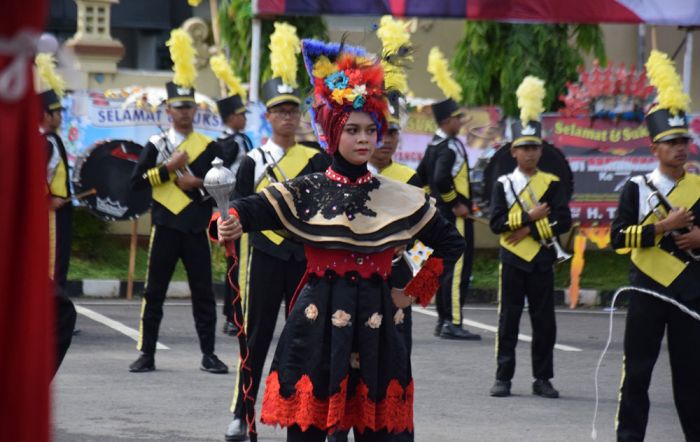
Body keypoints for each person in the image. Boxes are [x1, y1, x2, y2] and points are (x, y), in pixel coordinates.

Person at [213, 39, 464, 442]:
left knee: (379, 430)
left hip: (380, 321)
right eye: (352, 130)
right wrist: (230, 222)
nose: (364, 139)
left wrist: (412, 290)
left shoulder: (399, 194)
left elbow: (449, 244)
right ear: (333, 132)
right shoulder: (307, 188)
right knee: (309, 431)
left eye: (370, 130)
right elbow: (251, 208)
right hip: (317, 320)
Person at [223, 23, 331, 442]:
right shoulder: (253, 159)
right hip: (263, 258)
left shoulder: (317, 158)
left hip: (304, 257)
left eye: (292, 110)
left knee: (303, 337)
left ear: (299, 115)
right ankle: (241, 412)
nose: (287, 117)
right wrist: (227, 223)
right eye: (279, 110)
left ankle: (297, 412)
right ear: (267, 116)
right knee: (255, 337)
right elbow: (236, 204)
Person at [610, 50, 700, 442]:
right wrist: (664, 226)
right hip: (646, 289)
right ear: (655, 149)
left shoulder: (698, 186)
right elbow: (618, 238)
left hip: (691, 292)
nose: (680, 147)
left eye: (684, 140)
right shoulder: (635, 188)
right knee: (638, 373)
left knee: (692, 376)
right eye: (671, 142)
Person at [128, 29, 227, 374]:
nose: (184, 113)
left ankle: (209, 354)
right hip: (166, 225)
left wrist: (197, 181)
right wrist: (167, 169)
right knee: (153, 292)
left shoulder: (209, 146)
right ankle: (147, 353)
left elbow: (221, 186)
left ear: (195, 110)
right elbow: (137, 183)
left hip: (196, 227)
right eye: (178, 107)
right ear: (168, 110)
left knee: (203, 294)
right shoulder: (157, 145)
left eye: (189, 107)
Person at [487, 76, 571, 399]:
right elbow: (496, 223)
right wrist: (528, 216)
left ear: (541, 149)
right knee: (507, 321)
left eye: (535, 147)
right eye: (524, 147)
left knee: (544, 324)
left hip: (542, 260)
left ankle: (543, 378)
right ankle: (503, 377)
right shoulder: (503, 184)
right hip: (511, 261)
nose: (530, 153)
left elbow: (563, 219)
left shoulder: (551, 183)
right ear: (513, 150)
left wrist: (528, 228)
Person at [416, 47, 480, 340]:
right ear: (445, 122)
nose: (460, 122)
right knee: (457, 270)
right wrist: (456, 205)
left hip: (440, 215)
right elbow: (440, 178)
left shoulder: (432, 146)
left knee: (445, 267)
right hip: (455, 217)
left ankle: (444, 321)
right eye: (456, 118)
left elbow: (422, 178)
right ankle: (452, 321)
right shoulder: (450, 147)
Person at [40, 88, 76, 375]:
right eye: (56, 112)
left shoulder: (52, 140)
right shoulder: (42, 142)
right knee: (52, 266)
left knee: (59, 265)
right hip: (50, 215)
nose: (60, 116)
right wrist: (47, 199)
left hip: (60, 211)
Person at [216, 92, 253, 336]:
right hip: (233, 206)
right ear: (230, 118)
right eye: (241, 115)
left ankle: (241, 312)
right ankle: (232, 315)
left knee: (244, 264)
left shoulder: (243, 139)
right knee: (235, 263)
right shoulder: (225, 144)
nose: (244, 119)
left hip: (247, 205)